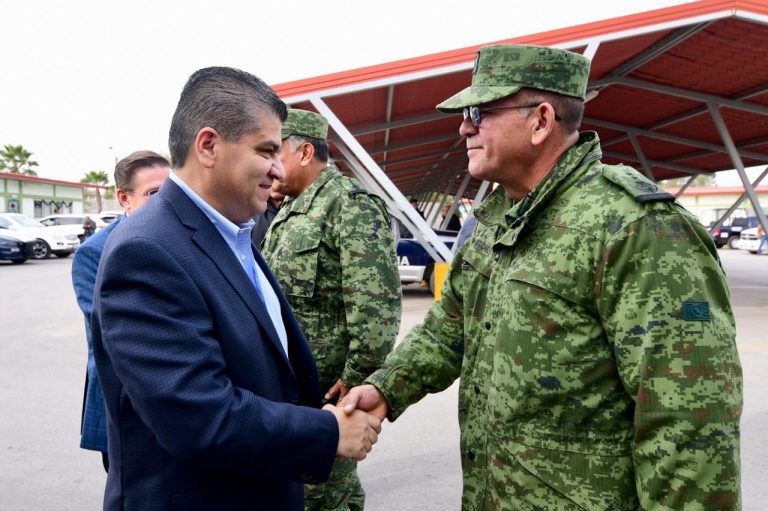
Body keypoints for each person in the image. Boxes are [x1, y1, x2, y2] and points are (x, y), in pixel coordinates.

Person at [342, 44, 742, 510]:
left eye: (479, 111)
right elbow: (449, 328)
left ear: (541, 120)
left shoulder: (633, 225)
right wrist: (387, 386)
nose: (464, 126)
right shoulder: (494, 221)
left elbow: (689, 420)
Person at [91, 67, 380, 511]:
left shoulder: (231, 235)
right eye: (266, 150)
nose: (279, 168)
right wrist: (328, 432)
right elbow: (197, 416)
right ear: (208, 146)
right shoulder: (146, 252)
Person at [262, 109, 401, 511]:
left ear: (305, 152)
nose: (270, 165)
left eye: (276, 152)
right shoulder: (289, 210)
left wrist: (355, 383)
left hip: (327, 396)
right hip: (289, 395)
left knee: (326, 496)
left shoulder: (349, 205)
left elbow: (376, 309)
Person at [71, 150, 170, 472]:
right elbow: (118, 330)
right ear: (123, 198)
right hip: (127, 396)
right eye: (154, 193)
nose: (165, 202)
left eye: (172, 192)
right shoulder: (94, 253)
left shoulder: (178, 237)